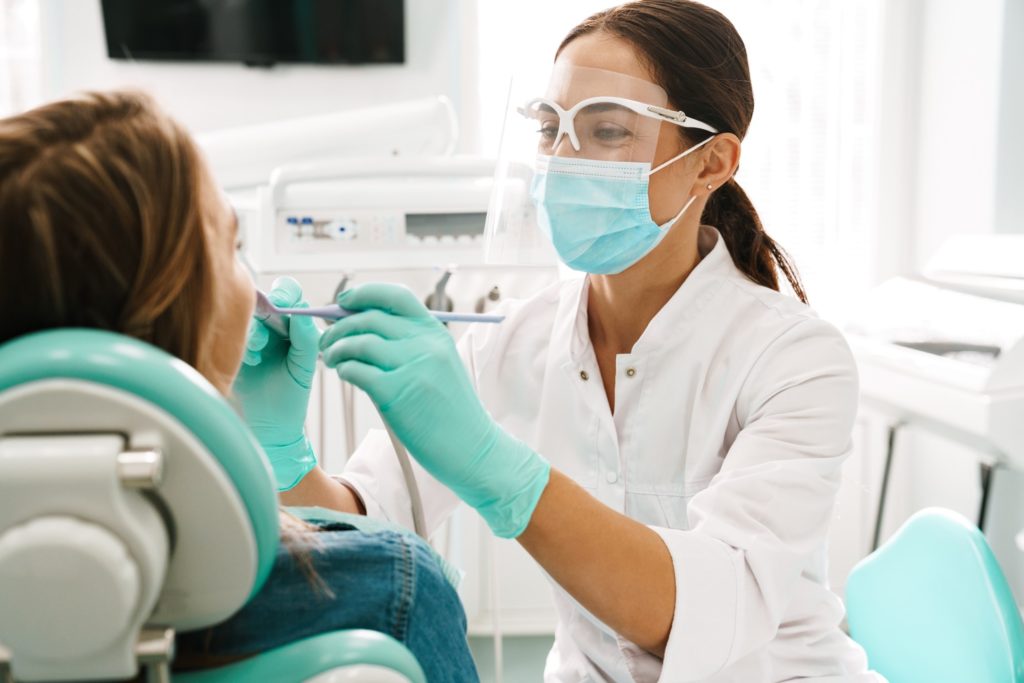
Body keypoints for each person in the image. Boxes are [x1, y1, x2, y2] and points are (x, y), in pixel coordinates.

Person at [274, 1, 885, 681]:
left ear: (712, 162)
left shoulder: (796, 360)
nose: (564, 160)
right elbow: (360, 523)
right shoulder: (512, 342)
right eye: (549, 128)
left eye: (608, 131)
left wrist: (498, 470)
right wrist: (277, 447)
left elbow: (702, 608)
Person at [0, 90, 478, 681]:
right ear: (180, 307)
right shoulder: (390, 593)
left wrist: (287, 462)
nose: (253, 290)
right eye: (233, 246)